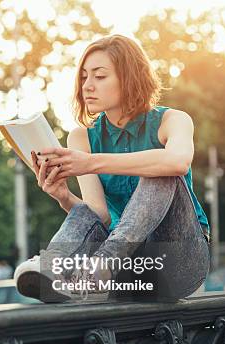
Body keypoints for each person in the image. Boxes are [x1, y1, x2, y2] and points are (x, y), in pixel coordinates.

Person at [14, 34, 210, 303]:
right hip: (128, 269)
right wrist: (62, 196)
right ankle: (54, 267)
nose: (87, 86)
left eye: (100, 76)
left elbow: (177, 161)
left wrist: (91, 162)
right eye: (84, 77)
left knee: (162, 170)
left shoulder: (173, 120)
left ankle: (102, 265)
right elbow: (100, 216)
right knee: (85, 211)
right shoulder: (81, 138)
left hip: (179, 262)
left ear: (129, 79)